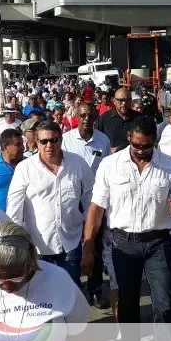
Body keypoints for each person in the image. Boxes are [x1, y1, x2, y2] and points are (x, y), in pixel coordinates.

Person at [82, 116, 171, 341]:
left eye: (147, 146)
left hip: (158, 244)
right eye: (136, 145)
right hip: (123, 245)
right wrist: (88, 245)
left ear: (154, 141)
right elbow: (96, 208)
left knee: (165, 306)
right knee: (128, 306)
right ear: (129, 137)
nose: (142, 150)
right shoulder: (110, 165)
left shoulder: (170, 166)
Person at [6, 121, 94, 289]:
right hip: (37, 248)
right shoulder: (25, 168)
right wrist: (18, 247)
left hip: (70, 243)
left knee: (69, 294)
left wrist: (89, 241)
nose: (48, 145)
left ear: (61, 140)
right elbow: (14, 210)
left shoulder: (77, 163)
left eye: (53, 140)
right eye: (43, 141)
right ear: (35, 142)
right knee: (41, 299)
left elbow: (91, 201)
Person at [61, 101, 111, 309]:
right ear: (76, 117)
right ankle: (73, 292)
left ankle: (96, 289)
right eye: (82, 116)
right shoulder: (65, 140)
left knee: (95, 247)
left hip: (95, 201)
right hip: (72, 202)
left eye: (90, 116)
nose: (86, 120)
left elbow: (107, 170)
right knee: (72, 248)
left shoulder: (103, 140)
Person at [95, 87, 137, 153]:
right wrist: (108, 149)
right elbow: (95, 139)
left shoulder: (140, 118)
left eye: (127, 100)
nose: (124, 103)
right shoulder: (104, 119)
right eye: (121, 100)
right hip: (111, 160)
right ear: (114, 101)